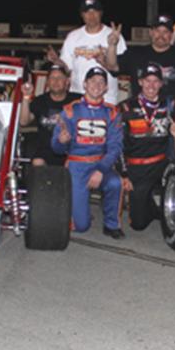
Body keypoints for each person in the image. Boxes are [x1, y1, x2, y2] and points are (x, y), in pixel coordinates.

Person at [52, 66, 125, 239]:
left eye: (101, 82)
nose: (97, 85)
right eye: (93, 81)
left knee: (116, 183)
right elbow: (56, 148)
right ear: (84, 84)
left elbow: (115, 147)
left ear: (107, 88)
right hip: (77, 166)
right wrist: (61, 141)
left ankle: (111, 224)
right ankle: (72, 210)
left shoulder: (112, 112)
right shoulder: (70, 110)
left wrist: (100, 169)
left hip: (102, 163)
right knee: (81, 226)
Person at [118, 62, 175, 231]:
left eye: (155, 81)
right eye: (147, 80)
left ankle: (160, 202)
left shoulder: (169, 105)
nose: (151, 85)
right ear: (140, 82)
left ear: (161, 84)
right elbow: (117, 145)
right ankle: (150, 206)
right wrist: (124, 174)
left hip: (161, 164)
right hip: (136, 168)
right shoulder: (125, 108)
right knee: (138, 224)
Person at [105, 13, 175, 106]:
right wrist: (112, 45)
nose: (161, 35)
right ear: (151, 32)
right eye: (157, 31)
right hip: (139, 114)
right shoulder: (136, 53)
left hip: (172, 116)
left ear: (171, 34)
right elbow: (112, 67)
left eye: (165, 31)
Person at [60, 0, 128, 104]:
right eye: (87, 12)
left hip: (107, 98)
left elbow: (122, 70)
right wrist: (56, 61)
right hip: (78, 96)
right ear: (82, 15)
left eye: (95, 11)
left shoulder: (114, 35)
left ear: (101, 13)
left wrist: (110, 50)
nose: (91, 16)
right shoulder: (73, 37)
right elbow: (66, 69)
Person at [19, 64, 81, 166]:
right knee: (37, 162)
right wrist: (26, 97)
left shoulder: (77, 101)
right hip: (46, 151)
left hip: (71, 150)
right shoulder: (40, 101)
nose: (56, 81)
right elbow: (23, 121)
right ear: (47, 82)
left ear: (67, 82)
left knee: (73, 164)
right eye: (52, 78)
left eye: (60, 78)